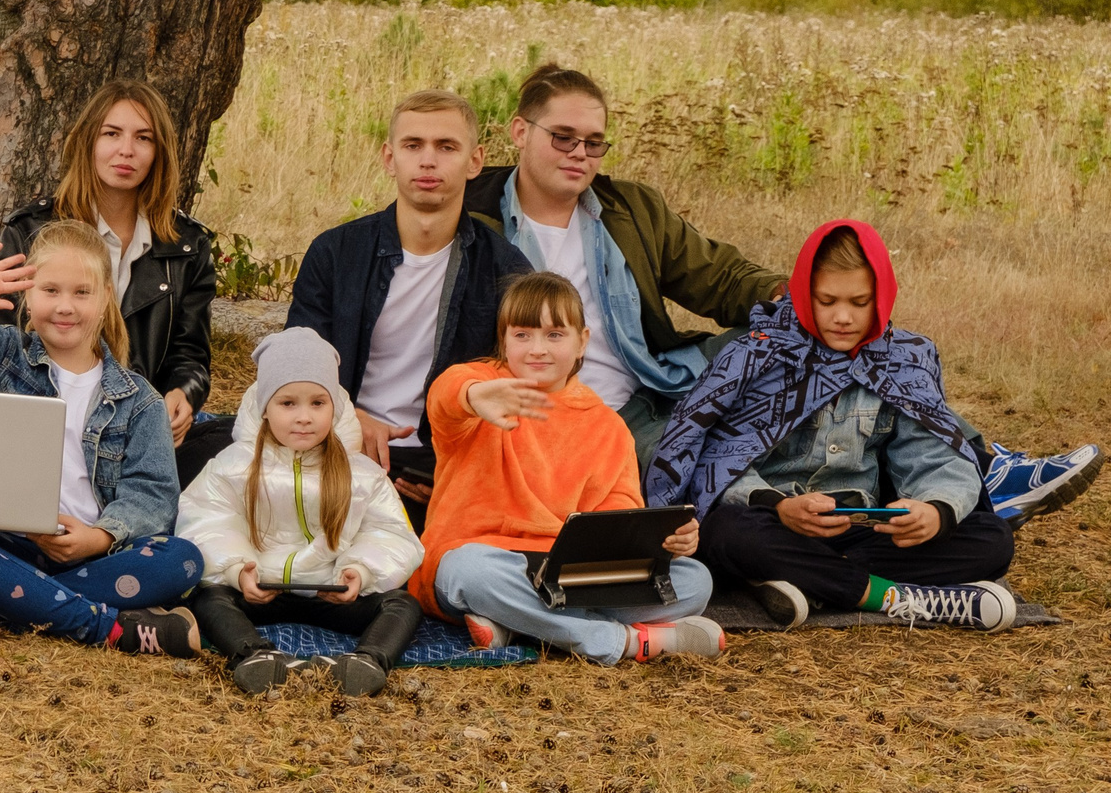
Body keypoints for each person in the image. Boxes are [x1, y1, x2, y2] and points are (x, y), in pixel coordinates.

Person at [467, 61, 1098, 521]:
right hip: (592, 415)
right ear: (520, 133)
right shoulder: (478, 222)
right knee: (694, 469)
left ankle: (985, 463)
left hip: (661, 379)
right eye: (563, 138)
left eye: (595, 141)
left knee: (830, 342)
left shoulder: (627, 208)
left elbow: (717, 275)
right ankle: (831, 508)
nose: (581, 153)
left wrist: (802, 297)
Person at [649, 220, 1018, 632]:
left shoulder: (906, 359)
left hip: (860, 529)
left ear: (881, 298)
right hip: (775, 523)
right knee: (729, 533)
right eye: (827, 301)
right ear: (805, 296)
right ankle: (894, 597)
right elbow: (717, 459)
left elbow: (931, 454)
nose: (843, 317)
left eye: (859, 302)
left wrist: (934, 509)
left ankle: (805, 582)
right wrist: (779, 506)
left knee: (992, 538)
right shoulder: (759, 356)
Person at [0, 220, 203, 656]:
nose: (65, 306)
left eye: (81, 292)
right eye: (50, 290)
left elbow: (154, 495)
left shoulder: (140, 399)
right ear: (28, 295)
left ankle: (3, 603)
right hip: (9, 543)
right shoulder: (1, 356)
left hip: (97, 554)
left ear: (107, 298)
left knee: (182, 559)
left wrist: (99, 536)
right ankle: (108, 627)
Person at [410, 272, 724, 665]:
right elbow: (447, 394)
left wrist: (664, 545)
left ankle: (517, 623)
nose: (537, 349)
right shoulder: (485, 389)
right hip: (488, 561)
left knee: (695, 580)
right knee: (468, 571)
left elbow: (615, 522)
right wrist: (473, 395)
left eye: (554, 334)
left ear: (583, 342)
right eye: (522, 335)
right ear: (504, 340)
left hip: (566, 574)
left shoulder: (608, 428)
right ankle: (613, 641)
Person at [287, 89, 531, 526]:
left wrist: (460, 469)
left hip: (439, 457)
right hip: (334, 437)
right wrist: (349, 416)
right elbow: (297, 361)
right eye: (413, 145)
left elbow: (520, 385)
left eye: (446, 147)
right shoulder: (335, 253)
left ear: (475, 161)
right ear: (389, 157)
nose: (428, 160)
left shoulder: (506, 270)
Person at [0, 81, 227, 483]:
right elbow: (0, 346)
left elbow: (190, 354)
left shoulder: (187, 245)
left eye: (143, 138)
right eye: (111, 134)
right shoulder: (30, 231)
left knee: (243, 437)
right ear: (88, 143)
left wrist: (183, 394)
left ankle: (138, 497)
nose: (126, 150)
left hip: (139, 428)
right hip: (47, 429)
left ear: (159, 152)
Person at [176, 327, 423, 697]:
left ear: (335, 408)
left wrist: (359, 572)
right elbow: (207, 522)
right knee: (207, 597)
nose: (304, 417)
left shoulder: (362, 473)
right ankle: (254, 656)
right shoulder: (232, 465)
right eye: (288, 403)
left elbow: (389, 533)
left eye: (317, 403)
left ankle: (367, 662)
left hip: (332, 594)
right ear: (263, 409)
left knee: (402, 604)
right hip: (259, 590)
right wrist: (237, 570)